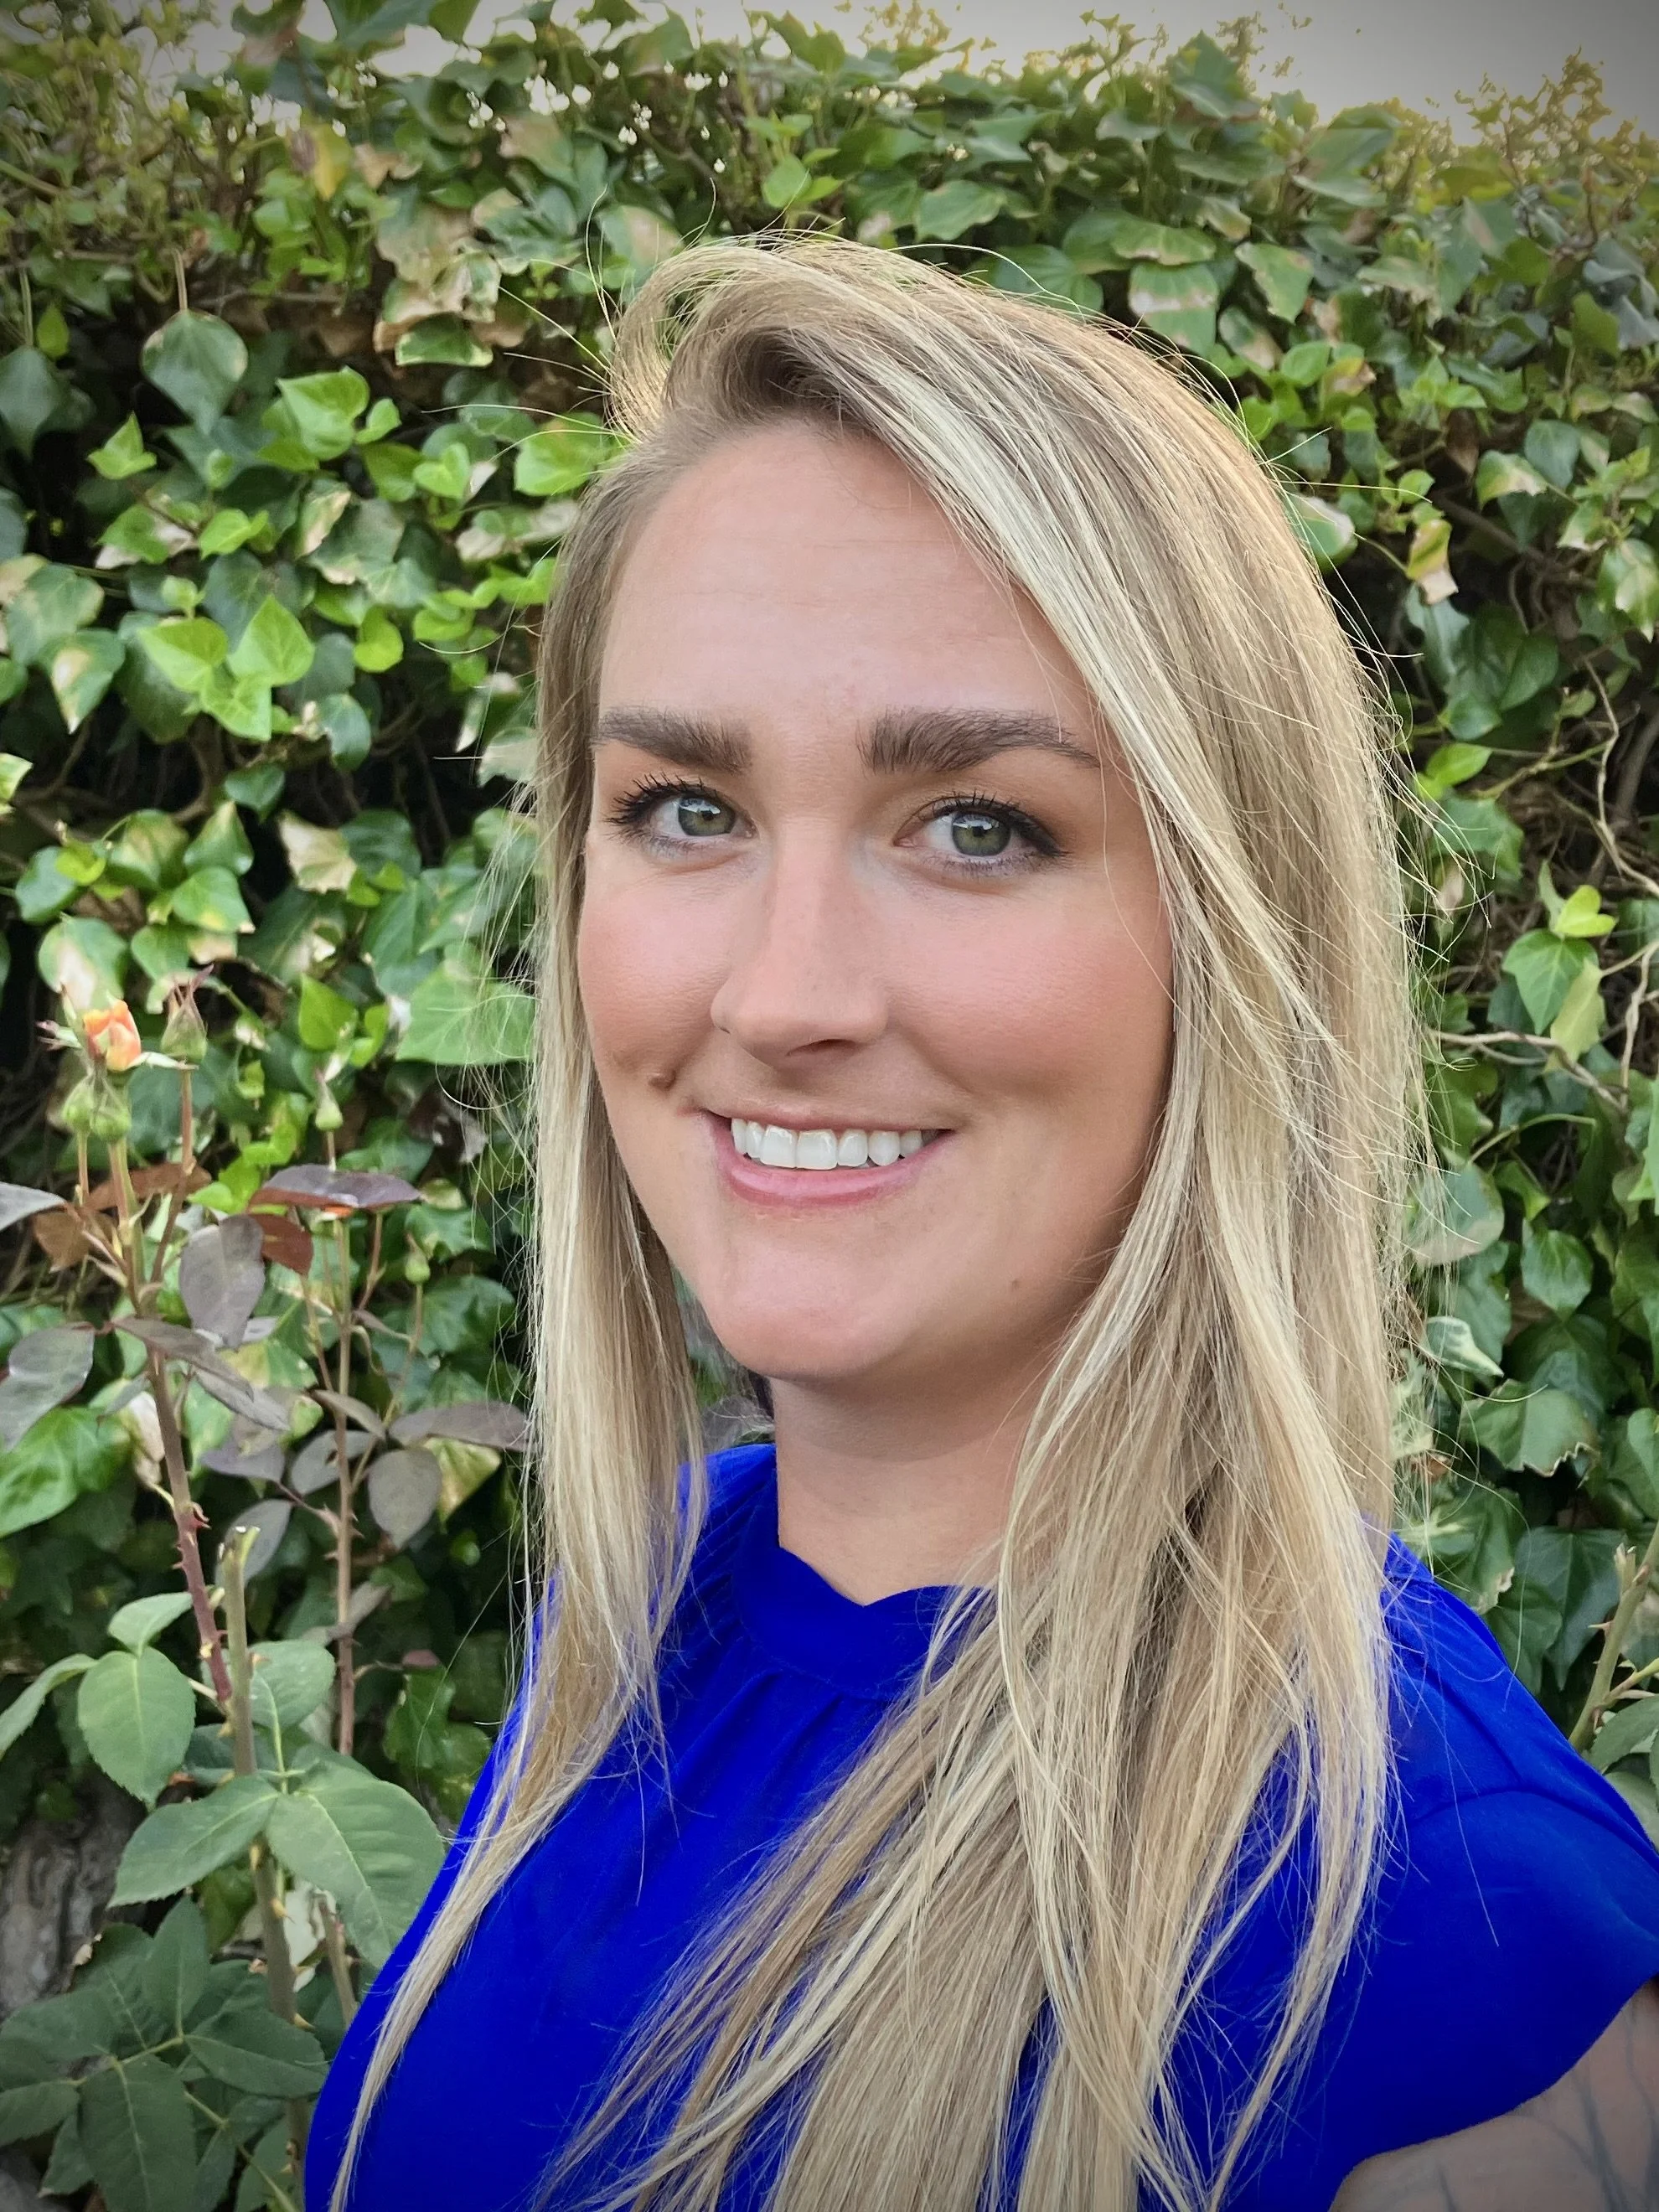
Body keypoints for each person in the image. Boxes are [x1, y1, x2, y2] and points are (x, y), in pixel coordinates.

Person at [308, 238, 1659, 2212]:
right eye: (686, 805)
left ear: (1235, 936)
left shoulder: (1446, 1962)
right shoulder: (669, 1591)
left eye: (978, 826)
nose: (780, 996)